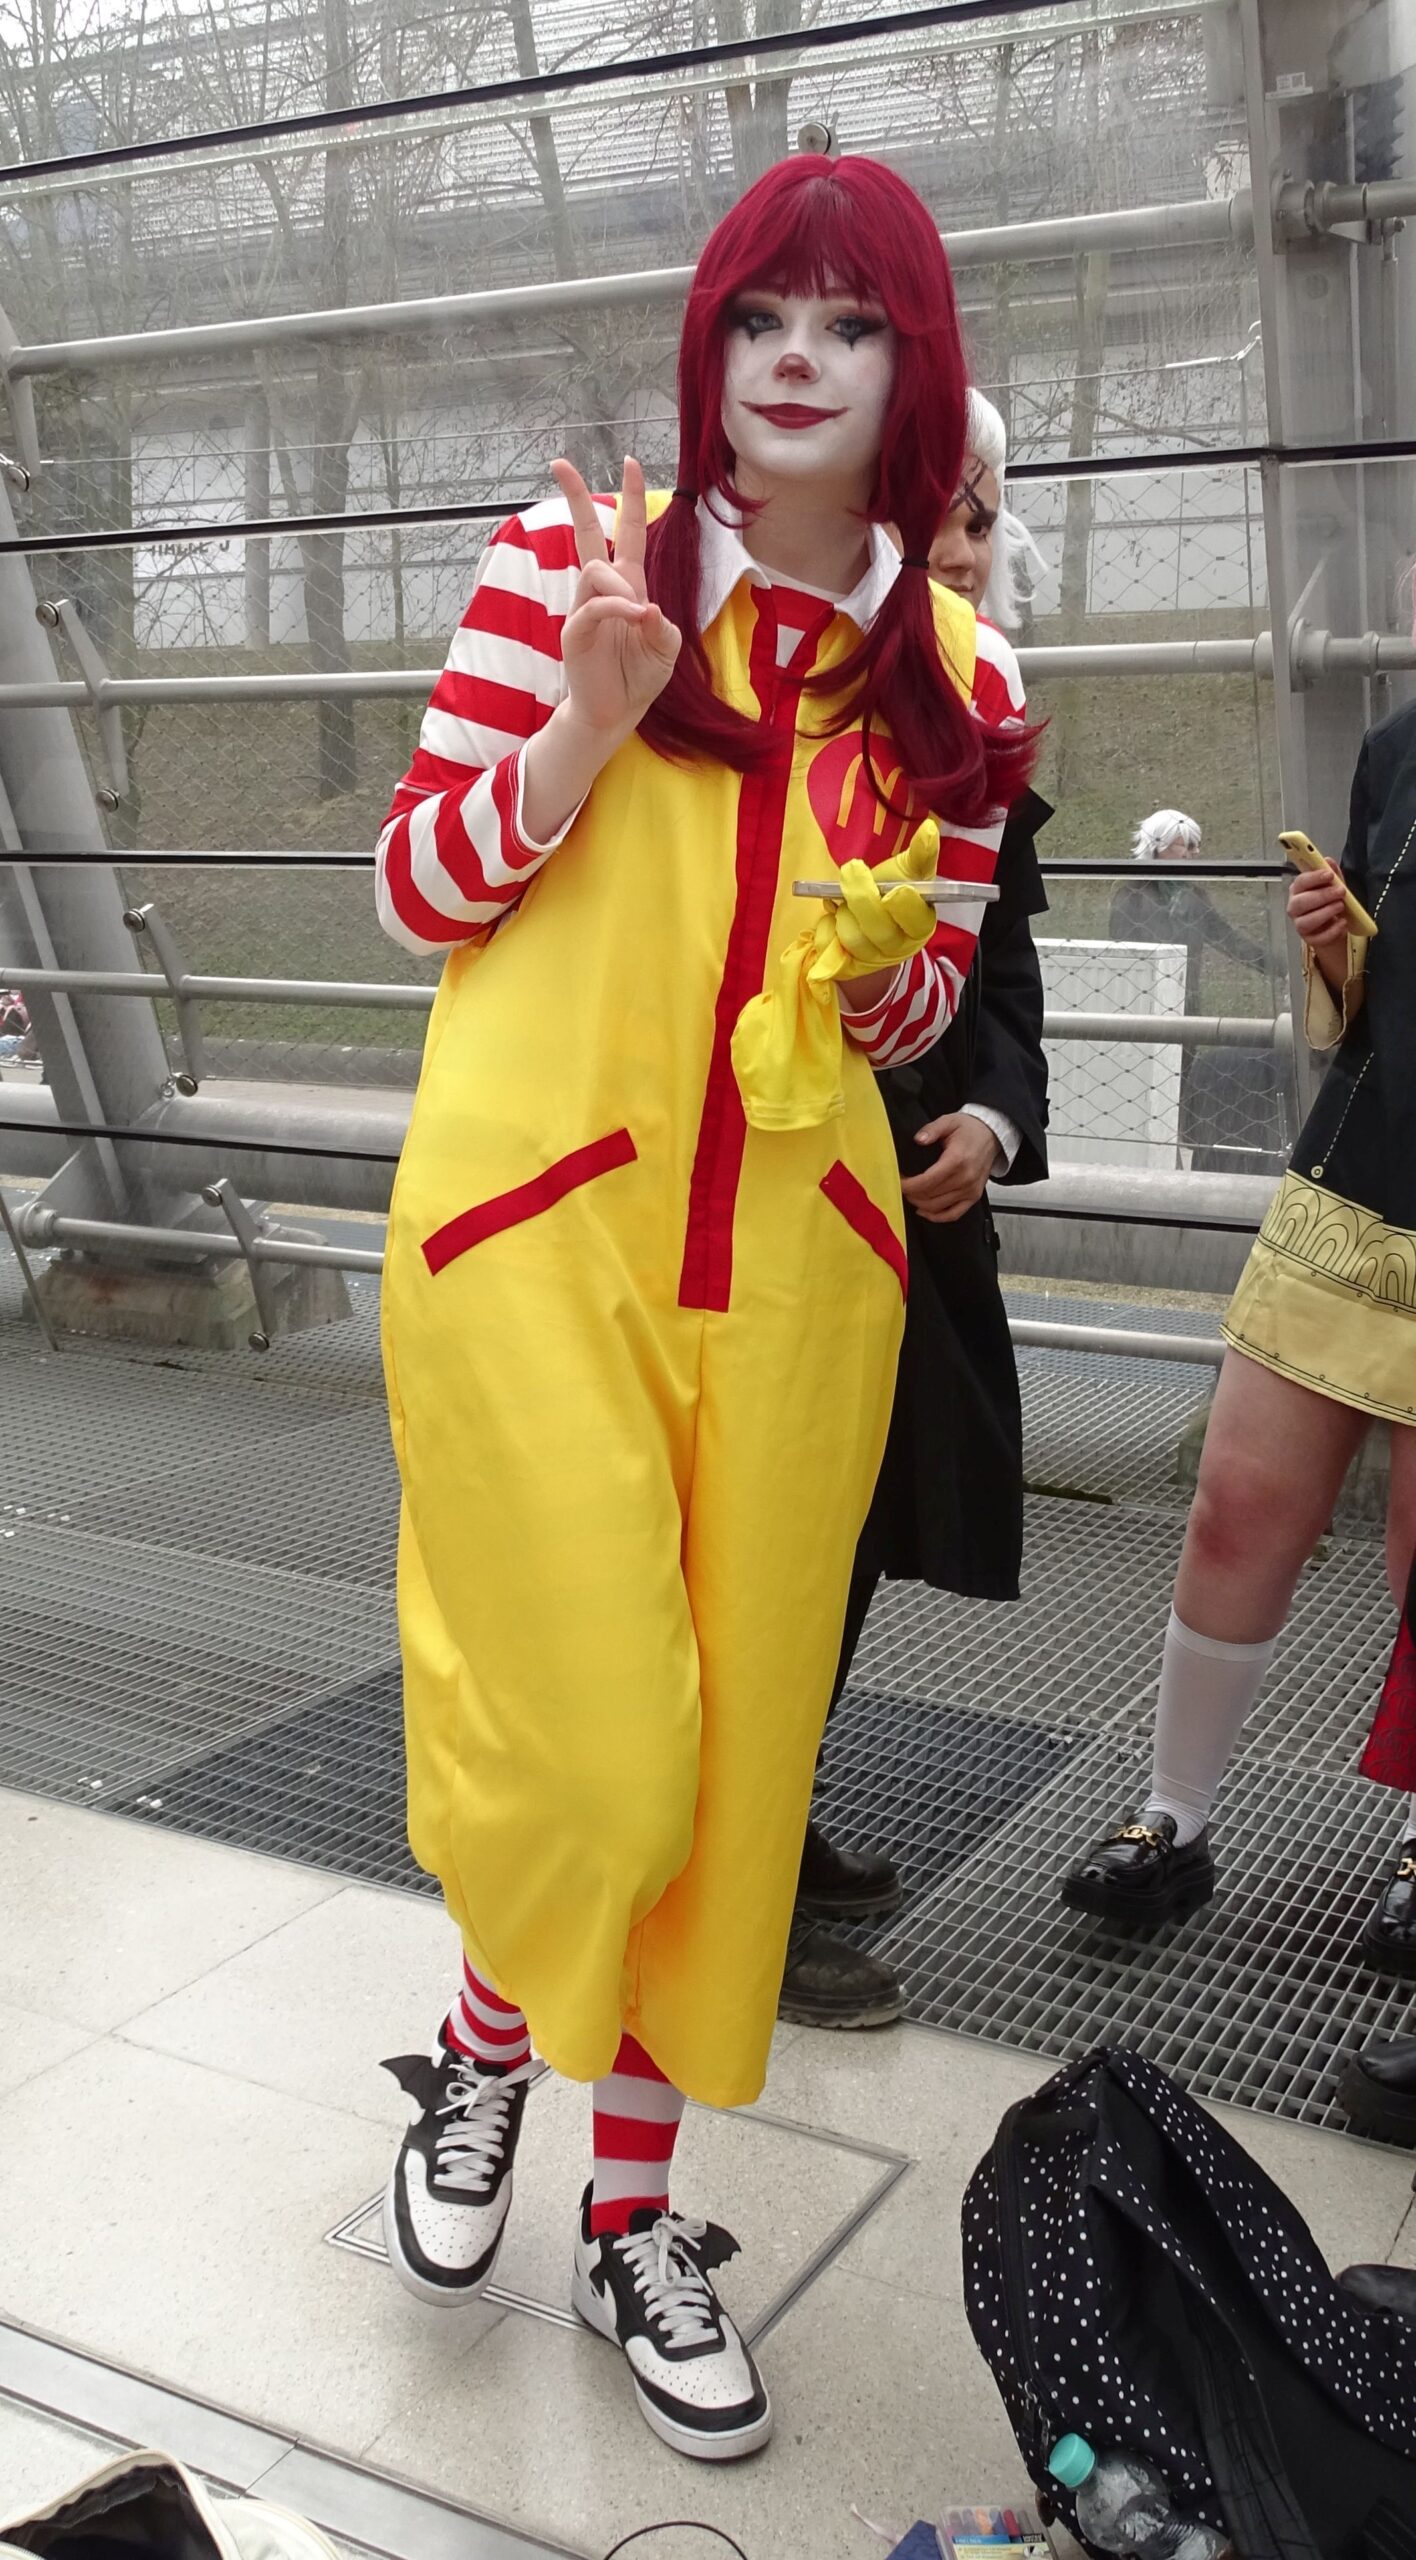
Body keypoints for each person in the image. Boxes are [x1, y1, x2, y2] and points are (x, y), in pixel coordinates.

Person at [372, 152, 1031, 2463]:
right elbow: (418, 882)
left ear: (909, 367)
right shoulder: (573, 563)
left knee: (733, 1779)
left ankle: (633, 2211)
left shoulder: (962, 683)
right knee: (597, 1751)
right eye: (761, 312)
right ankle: (484, 2044)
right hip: (537, 1237)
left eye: (848, 323)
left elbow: (926, 998)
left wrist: (891, 957)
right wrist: (581, 724)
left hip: (792, 1284)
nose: (793, 359)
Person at [783, 390, 1051, 2029]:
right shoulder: (792, 714)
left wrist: (994, 1121)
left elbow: (1002, 970)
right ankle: (729, 1876)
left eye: (981, 518)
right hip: (788, 1197)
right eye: (935, 514)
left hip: (914, 1201)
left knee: (856, 1532)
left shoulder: (979, 724)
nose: (962, 547)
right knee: (777, 1537)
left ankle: (767, 1814)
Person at [1061, 702, 1416, 1937]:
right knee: (1234, 1507)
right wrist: (1332, 941)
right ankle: (1173, 1815)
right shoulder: (1398, 744)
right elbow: (1360, 1003)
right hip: (1358, 1169)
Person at [1110, 811, 1280, 1168]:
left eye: (1195, 846)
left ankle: (1175, 1159)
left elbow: (1228, 939)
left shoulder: (1193, 897)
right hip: (1145, 1012)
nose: (1194, 852)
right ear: (1158, 847)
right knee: (1148, 1089)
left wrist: (1277, 965)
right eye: (1185, 845)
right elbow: (1122, 960)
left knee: (1180, 1084)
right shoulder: (1131, 898)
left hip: (1187, 1007)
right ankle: (1155, 1159)